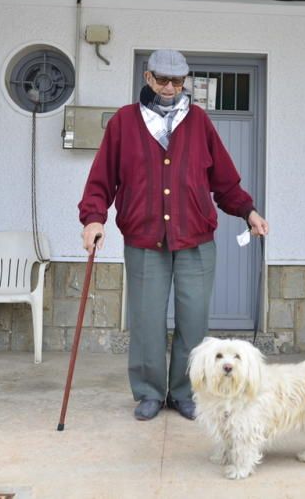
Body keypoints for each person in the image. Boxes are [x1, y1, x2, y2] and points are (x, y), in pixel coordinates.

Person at [78, 49, 269, 421]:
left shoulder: (198, 121)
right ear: (148, 78)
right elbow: (101, 179)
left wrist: (248, 211)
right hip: (144, 239)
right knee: (147, 320)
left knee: (194, 321)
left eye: (177, 81)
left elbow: (225, 180)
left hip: (196, 239)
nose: (169, 87)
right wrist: (93, 219)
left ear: (185, 82)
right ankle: (149, 392)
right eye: (162, 80)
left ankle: (185, 392)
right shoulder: (124, 122)